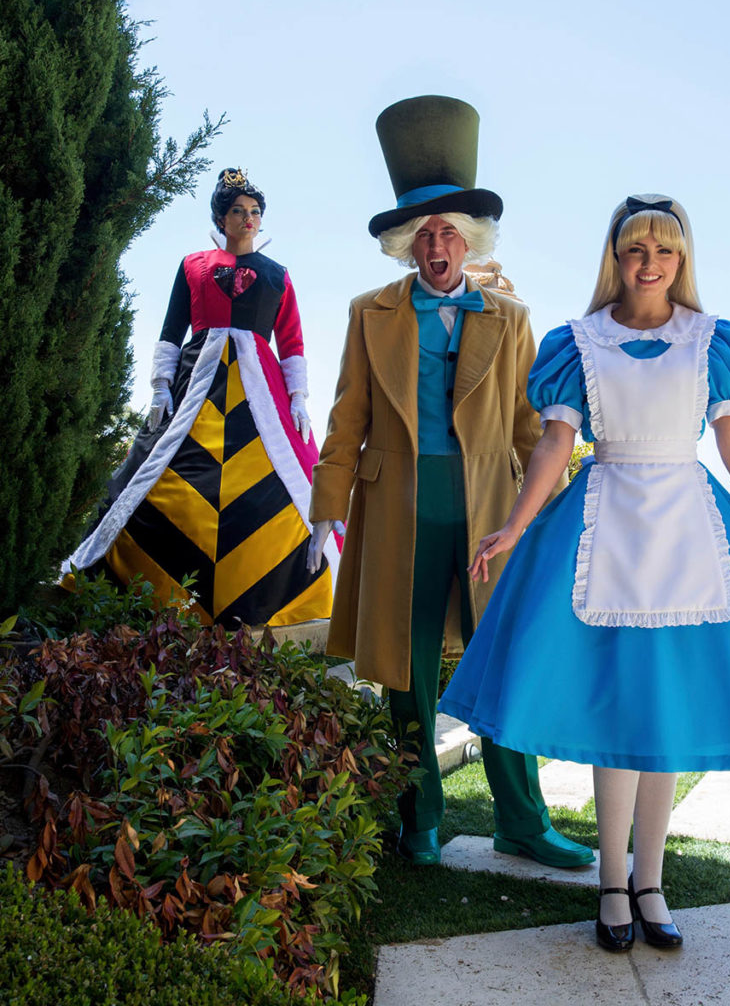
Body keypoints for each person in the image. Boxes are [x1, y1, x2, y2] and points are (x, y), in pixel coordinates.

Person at [439, 194, 730, 949]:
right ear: (616, 258)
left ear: (681, 258)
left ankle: (651, 883)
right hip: (601, 527)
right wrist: (516, 525)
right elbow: (554, 444)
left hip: (688, 531)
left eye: (664, 250)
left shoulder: (714, 341)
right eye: (636, 249)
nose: (650, 263)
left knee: (664, 717)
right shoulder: (577, 341)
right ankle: (611, 885)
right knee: (620, 718)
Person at [307, 96, 593, 869]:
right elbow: (346, 417)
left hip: (489, 508)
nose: (436, 245)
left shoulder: (511, 317)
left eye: (448, 232)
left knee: (500, 658)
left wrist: (552, 515)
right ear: (406, 245)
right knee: (405, 672)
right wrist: (325, 509)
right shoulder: (368, 312)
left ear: (469, 239)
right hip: (394, 508)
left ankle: (521, 820)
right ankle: (419, 817)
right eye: (423, 234)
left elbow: (533, 431)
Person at [68, 168, 336, 627]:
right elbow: (172, 327)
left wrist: (297, 395)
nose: (248, 219)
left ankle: (290, 587)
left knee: (288, 481)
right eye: (239, 211)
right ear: (221, 217)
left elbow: (291, 340)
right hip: (197, 379)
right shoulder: (193, 265)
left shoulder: (278, 275)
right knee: (154, 468)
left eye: (255, 212)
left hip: (262, 390)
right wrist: (160, 384)